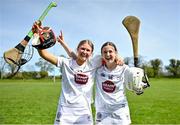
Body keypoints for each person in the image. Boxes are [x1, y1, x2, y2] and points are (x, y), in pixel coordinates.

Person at [32, 22, 102, 125]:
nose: (85, 52)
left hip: (84, 111)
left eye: (88, 50)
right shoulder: (65, 62)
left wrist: (118, 58)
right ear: (77, 49)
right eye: (82, 48)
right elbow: (44, 54)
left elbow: (111, 55)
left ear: (91, 53)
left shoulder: (93, 64)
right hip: (65, 110)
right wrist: (36, 36)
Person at [95, 42, 149, 125]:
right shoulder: (97, 68)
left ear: (116, 53)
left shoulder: (124, 68)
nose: (108, 54)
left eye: (110, 51)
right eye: (105, 52)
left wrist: (138, 85)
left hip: (120, 111)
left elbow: (135, 78)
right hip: (102, 111)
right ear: (101, 55)